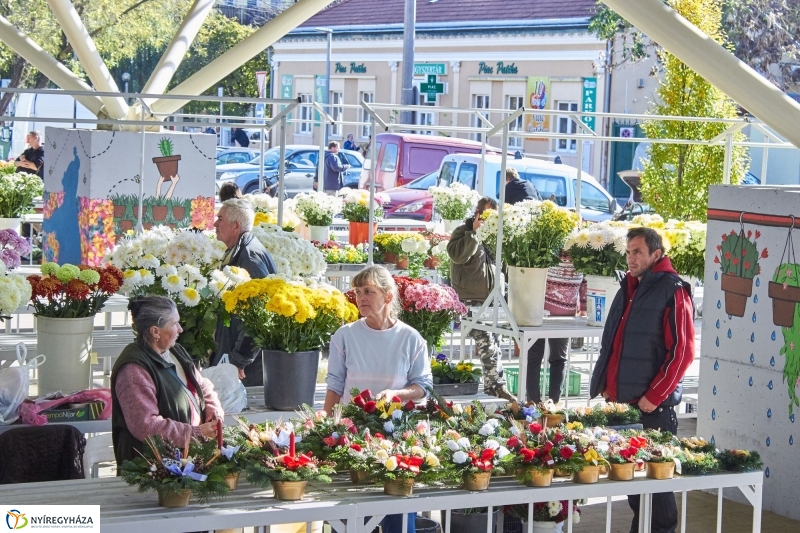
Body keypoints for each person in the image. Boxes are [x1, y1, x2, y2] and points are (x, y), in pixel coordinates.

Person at [590, 227, 695, 533]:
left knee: (658, 494)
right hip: (625, 405)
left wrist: (655, 395)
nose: (630, 257)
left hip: (653, 409)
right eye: (628, 251)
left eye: (637, 252)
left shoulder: (674, 290)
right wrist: (606, 387)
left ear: (656, 255)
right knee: (636, 490)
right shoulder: (629, 287)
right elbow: (614, 342)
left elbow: (683, 351)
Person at [324, 265, 432, 533]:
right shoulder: (345, 335)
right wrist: (325, 426)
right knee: (351, 515)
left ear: (387, 296)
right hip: (353, 437)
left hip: (395, 439)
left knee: (397, 518)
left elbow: (424, 386)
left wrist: (397, 394)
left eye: (368, 291)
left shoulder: (410, 338)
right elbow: (335, 385)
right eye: (358, 291)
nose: (360, 297)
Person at [111, 295, 223, 465]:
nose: (180, 329)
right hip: (153, 472)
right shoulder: (133, 370)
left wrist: (213, 410)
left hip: (185, 461)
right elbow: (146, 426)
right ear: (155, 331)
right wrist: (196, 433)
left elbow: (202, 384)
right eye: (175, 324)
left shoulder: (174, 350)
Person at [502, 167, 568, 403]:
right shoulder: (531, 193)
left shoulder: (542, 237)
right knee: (551, 356)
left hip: (541, 304)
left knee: (537, 355)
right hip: (553, 307)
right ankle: (548, 402)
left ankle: (540, 402)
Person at [447, 197, 514, 401]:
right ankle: (499, 387)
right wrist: (474, 233)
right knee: (486, 342)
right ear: (477, 214)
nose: (489, 220)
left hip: (493, 300)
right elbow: (458, 256)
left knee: (495, 342)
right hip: (469, 300)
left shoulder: (494, 236)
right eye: (485, 216)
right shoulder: (462, 232)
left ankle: (491, 388)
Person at [211, 198, 277, 386]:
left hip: (247, 367)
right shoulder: (240, 250)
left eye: (220, 219)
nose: (215, 223)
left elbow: (260, 315)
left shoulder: (249, 258)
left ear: (236, 226)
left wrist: (239, 360)